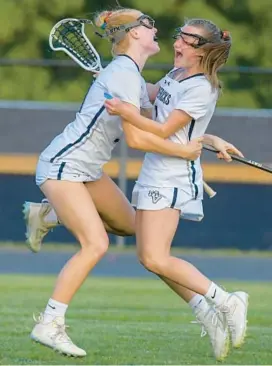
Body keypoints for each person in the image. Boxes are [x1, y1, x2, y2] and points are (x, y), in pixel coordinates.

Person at [24, 9, 244, 361]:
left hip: (86, 170)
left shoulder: (132, 75)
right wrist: (184, 151)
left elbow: (159, 117)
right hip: (64, 166)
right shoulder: (125, 74)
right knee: (95, 243)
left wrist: (205, 139)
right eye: (147, 25)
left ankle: (48, 214)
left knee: (129, 227)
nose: (157, 29)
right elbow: (138, 138)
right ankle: (50, 323)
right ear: (133, 35)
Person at [103, 18, 249, 361]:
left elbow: (162, 127)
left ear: (202, 51)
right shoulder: (177, 75)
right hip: (156, 172)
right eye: (178, 37)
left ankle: (227, 301)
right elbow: (151, 95)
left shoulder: (201, 88)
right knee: (149, 258)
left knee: (155, 256)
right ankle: (207, 313)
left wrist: (125, 109)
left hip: (171, 177)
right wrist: (118, 80)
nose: (176, 44)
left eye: (185, 40)